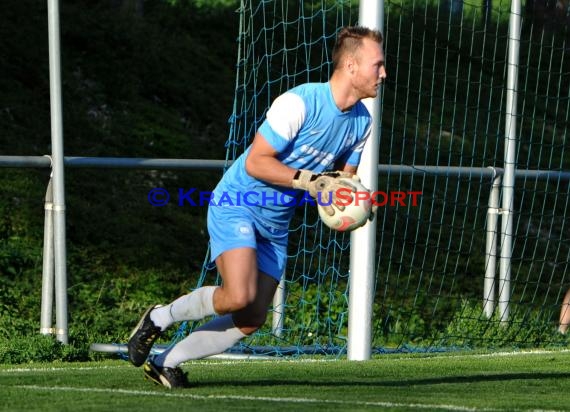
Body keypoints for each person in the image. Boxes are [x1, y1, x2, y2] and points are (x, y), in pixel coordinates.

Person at [127, 25, 387, 388]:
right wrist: (310, 182)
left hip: (276, 223)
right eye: (378, 65)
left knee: (251, 318)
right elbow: (256, 162)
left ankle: (164, 362)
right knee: (238, 294)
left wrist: (355, 200)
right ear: (351, 66)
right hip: (238, 203)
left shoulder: (362, 122)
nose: (384, 73)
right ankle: (159, 318)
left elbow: (345, 180)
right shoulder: (300, 103)